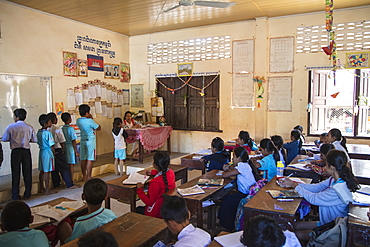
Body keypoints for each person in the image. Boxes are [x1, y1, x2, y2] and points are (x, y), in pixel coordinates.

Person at [279, 150, 360, 241]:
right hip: (326, 222)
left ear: (332, 168)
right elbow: (315, 188)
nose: (325, 167)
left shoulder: (337, 190)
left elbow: (314, 199)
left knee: (293, 235)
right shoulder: (334, 179)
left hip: (333, 229)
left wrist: (294, 186)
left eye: (326, 165)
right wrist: (292, 183)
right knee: (294, 225)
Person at [57, 178, 117, 244]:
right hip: (105, 242)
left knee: (63, 225)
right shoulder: (110, 213)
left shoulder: (81, 222)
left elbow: (75, 242)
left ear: (83, 196)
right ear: (106, 197)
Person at [218, 147, 261, 231]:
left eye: (234, 157)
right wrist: (230, 166)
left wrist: (225, 170)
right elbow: (234, 168)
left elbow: (225, 175)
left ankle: (228, 226)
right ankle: (226, 222)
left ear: (239, 158)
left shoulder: (243, 166)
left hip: (247, 195)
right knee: (228, 199)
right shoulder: (245, 164)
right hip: (247, 192)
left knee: (227, 202)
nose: (232, 159)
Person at [2, 108, 37, 200]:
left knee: (15, 173)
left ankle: (15, 195)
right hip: (26, 151)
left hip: (16, 151)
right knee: (27, 172)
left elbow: (5, 138)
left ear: (16, 117)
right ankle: (27, 193)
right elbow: (34, 140)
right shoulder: (29, 127)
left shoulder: (11, 127)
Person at [136, 151, 176, 218]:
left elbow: (149, 202)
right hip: (167, 208)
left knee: (136, 210)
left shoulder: (155, 182)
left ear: (155, 165)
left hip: (156, 213)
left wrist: (139, 190)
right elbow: (163, 173)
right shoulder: (171, 172)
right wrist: (153, 172)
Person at [47, 112, 78, 189]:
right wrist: (63, 149)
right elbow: (62, 141)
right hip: (58, 148)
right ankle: (69, 183)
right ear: (54, 120)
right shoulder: (57, 129)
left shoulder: (47, 129)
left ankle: (57, 184)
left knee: (54, 168)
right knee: (65, 167)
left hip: (49, 150)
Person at [76, 104, 101, 180]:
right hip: (90, 141)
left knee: (83, 159)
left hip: (83, 141)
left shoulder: (78, 120)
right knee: (90, 159)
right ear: (87, 113)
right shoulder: (90, 121)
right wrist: (92, 118)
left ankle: (84, 176)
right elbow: (99, 128)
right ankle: (89, 176)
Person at [37, 114, 56, 195]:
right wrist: (54, 152)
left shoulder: (39, 132)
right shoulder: (48, 133)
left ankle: (41, 187)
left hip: (41, 152)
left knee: (42, 170)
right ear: (45, 124)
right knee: (47, 171)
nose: (51, 123)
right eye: (49, 122)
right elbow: (51, 144)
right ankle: (47, 189)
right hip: (48, 152)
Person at [61, 112, 79, 180]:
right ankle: (71, 179)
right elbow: (73, 140)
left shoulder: (62, 129)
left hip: (64, 147)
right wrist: (76, 150)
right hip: (70, 147)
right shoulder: (71, 129)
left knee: (66, 164)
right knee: (71, 165)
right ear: (69, 119)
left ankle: (66, 179)